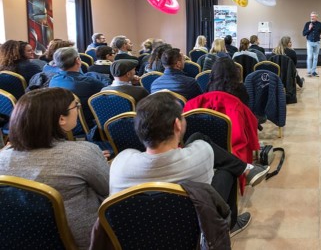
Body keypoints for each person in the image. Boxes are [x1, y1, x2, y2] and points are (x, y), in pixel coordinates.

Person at [109, 92, 270, 237]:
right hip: (192, 232)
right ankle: (232, 221)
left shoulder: (119, 163)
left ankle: (246, 169)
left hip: (139, 238)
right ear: (177, 125)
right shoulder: (203, 153)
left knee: (198, 138)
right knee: (227, 169)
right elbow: (200, 148)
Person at [0, 88, 109, 249]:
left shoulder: (3, 157)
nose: (78, 110)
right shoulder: (83, 152)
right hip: (81, 241)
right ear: (61, 119)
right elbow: (108, 190)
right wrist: (96, 160)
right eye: (76, 106)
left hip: (19, 239)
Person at [49, 47, 109, 129]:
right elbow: (107, 91)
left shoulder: (53, 79)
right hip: (85, 127)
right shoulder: (90, 82)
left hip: (60, 124)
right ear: (78, 60)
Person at [302, 11, 321, 77]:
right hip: (309, 42)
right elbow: (303, 34)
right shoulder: (307, 24)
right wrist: (309, 29)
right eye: (311, 16)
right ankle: (309, 71)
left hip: (317, 43)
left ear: (316, 17)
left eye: (313, 16)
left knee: (315, 58)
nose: (312, 17)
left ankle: (313, 71)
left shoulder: (320, 24)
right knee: (309, 57)